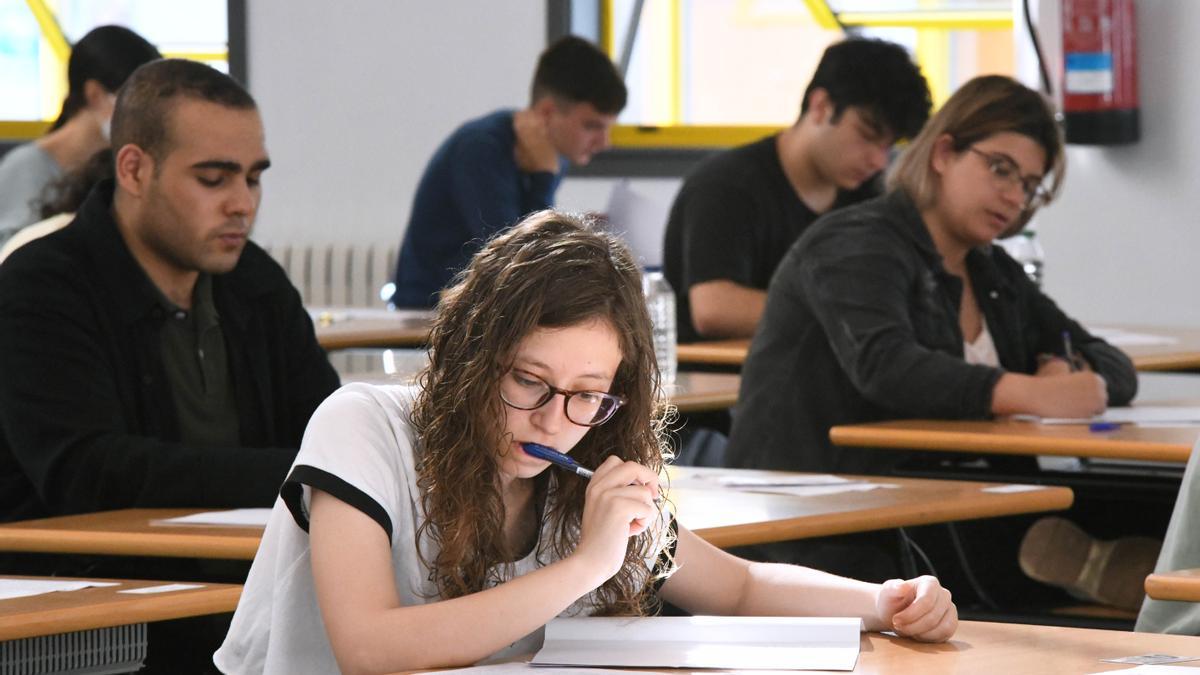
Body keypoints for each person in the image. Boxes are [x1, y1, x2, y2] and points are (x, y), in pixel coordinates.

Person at [215, 211, 957, 674]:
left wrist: (883, 601)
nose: (552, 419)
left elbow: (737, 585)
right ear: (474, 356)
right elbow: (370, 650)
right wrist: (587, 565)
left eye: (586, 394)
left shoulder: (588, 462)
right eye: (527, 380)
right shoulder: (362, 425)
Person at [724, 74, 1139, 605]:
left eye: (1029, 185)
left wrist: (1075, 372)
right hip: (824, 510)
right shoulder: (855, 242)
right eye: (1000, 169)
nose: (1014, 196)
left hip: (938, 498)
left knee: (1138, 506)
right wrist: (1031, 393)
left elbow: (1108, 361)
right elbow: (887, 365)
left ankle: (1119, 579)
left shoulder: (991, 271)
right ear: (944, 152)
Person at [0, 58, 340, 525]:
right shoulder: (41, 285)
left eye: (254, 178)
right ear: (135, 170)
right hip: (91, 582)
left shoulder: (254, 280)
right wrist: (302, 474)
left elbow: (328, 435)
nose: (242, 204)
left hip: (244, 579)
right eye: (212, 179)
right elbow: (87, 473)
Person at [662, 38, 931, 342]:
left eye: (889, 147)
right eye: (868, 136)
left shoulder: (871, 195)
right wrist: (849, 313)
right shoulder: (726, 185)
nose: (879, 161)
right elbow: (714, 309)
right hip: (723, 379)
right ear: (821, 106)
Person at [389, 35, 626, 309]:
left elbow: (528, 249)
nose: (604, 142)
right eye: (592, 126)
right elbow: (517, 262)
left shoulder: (551, 156)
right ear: (548, 113)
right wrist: (544, 179)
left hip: (480, 311)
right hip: (427, 317)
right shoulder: (482, 148)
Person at [0, 25, 159, 245]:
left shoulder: (113, 172)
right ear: (94, 94)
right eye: (136, 102)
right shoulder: (27, 168)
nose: (145, 117)